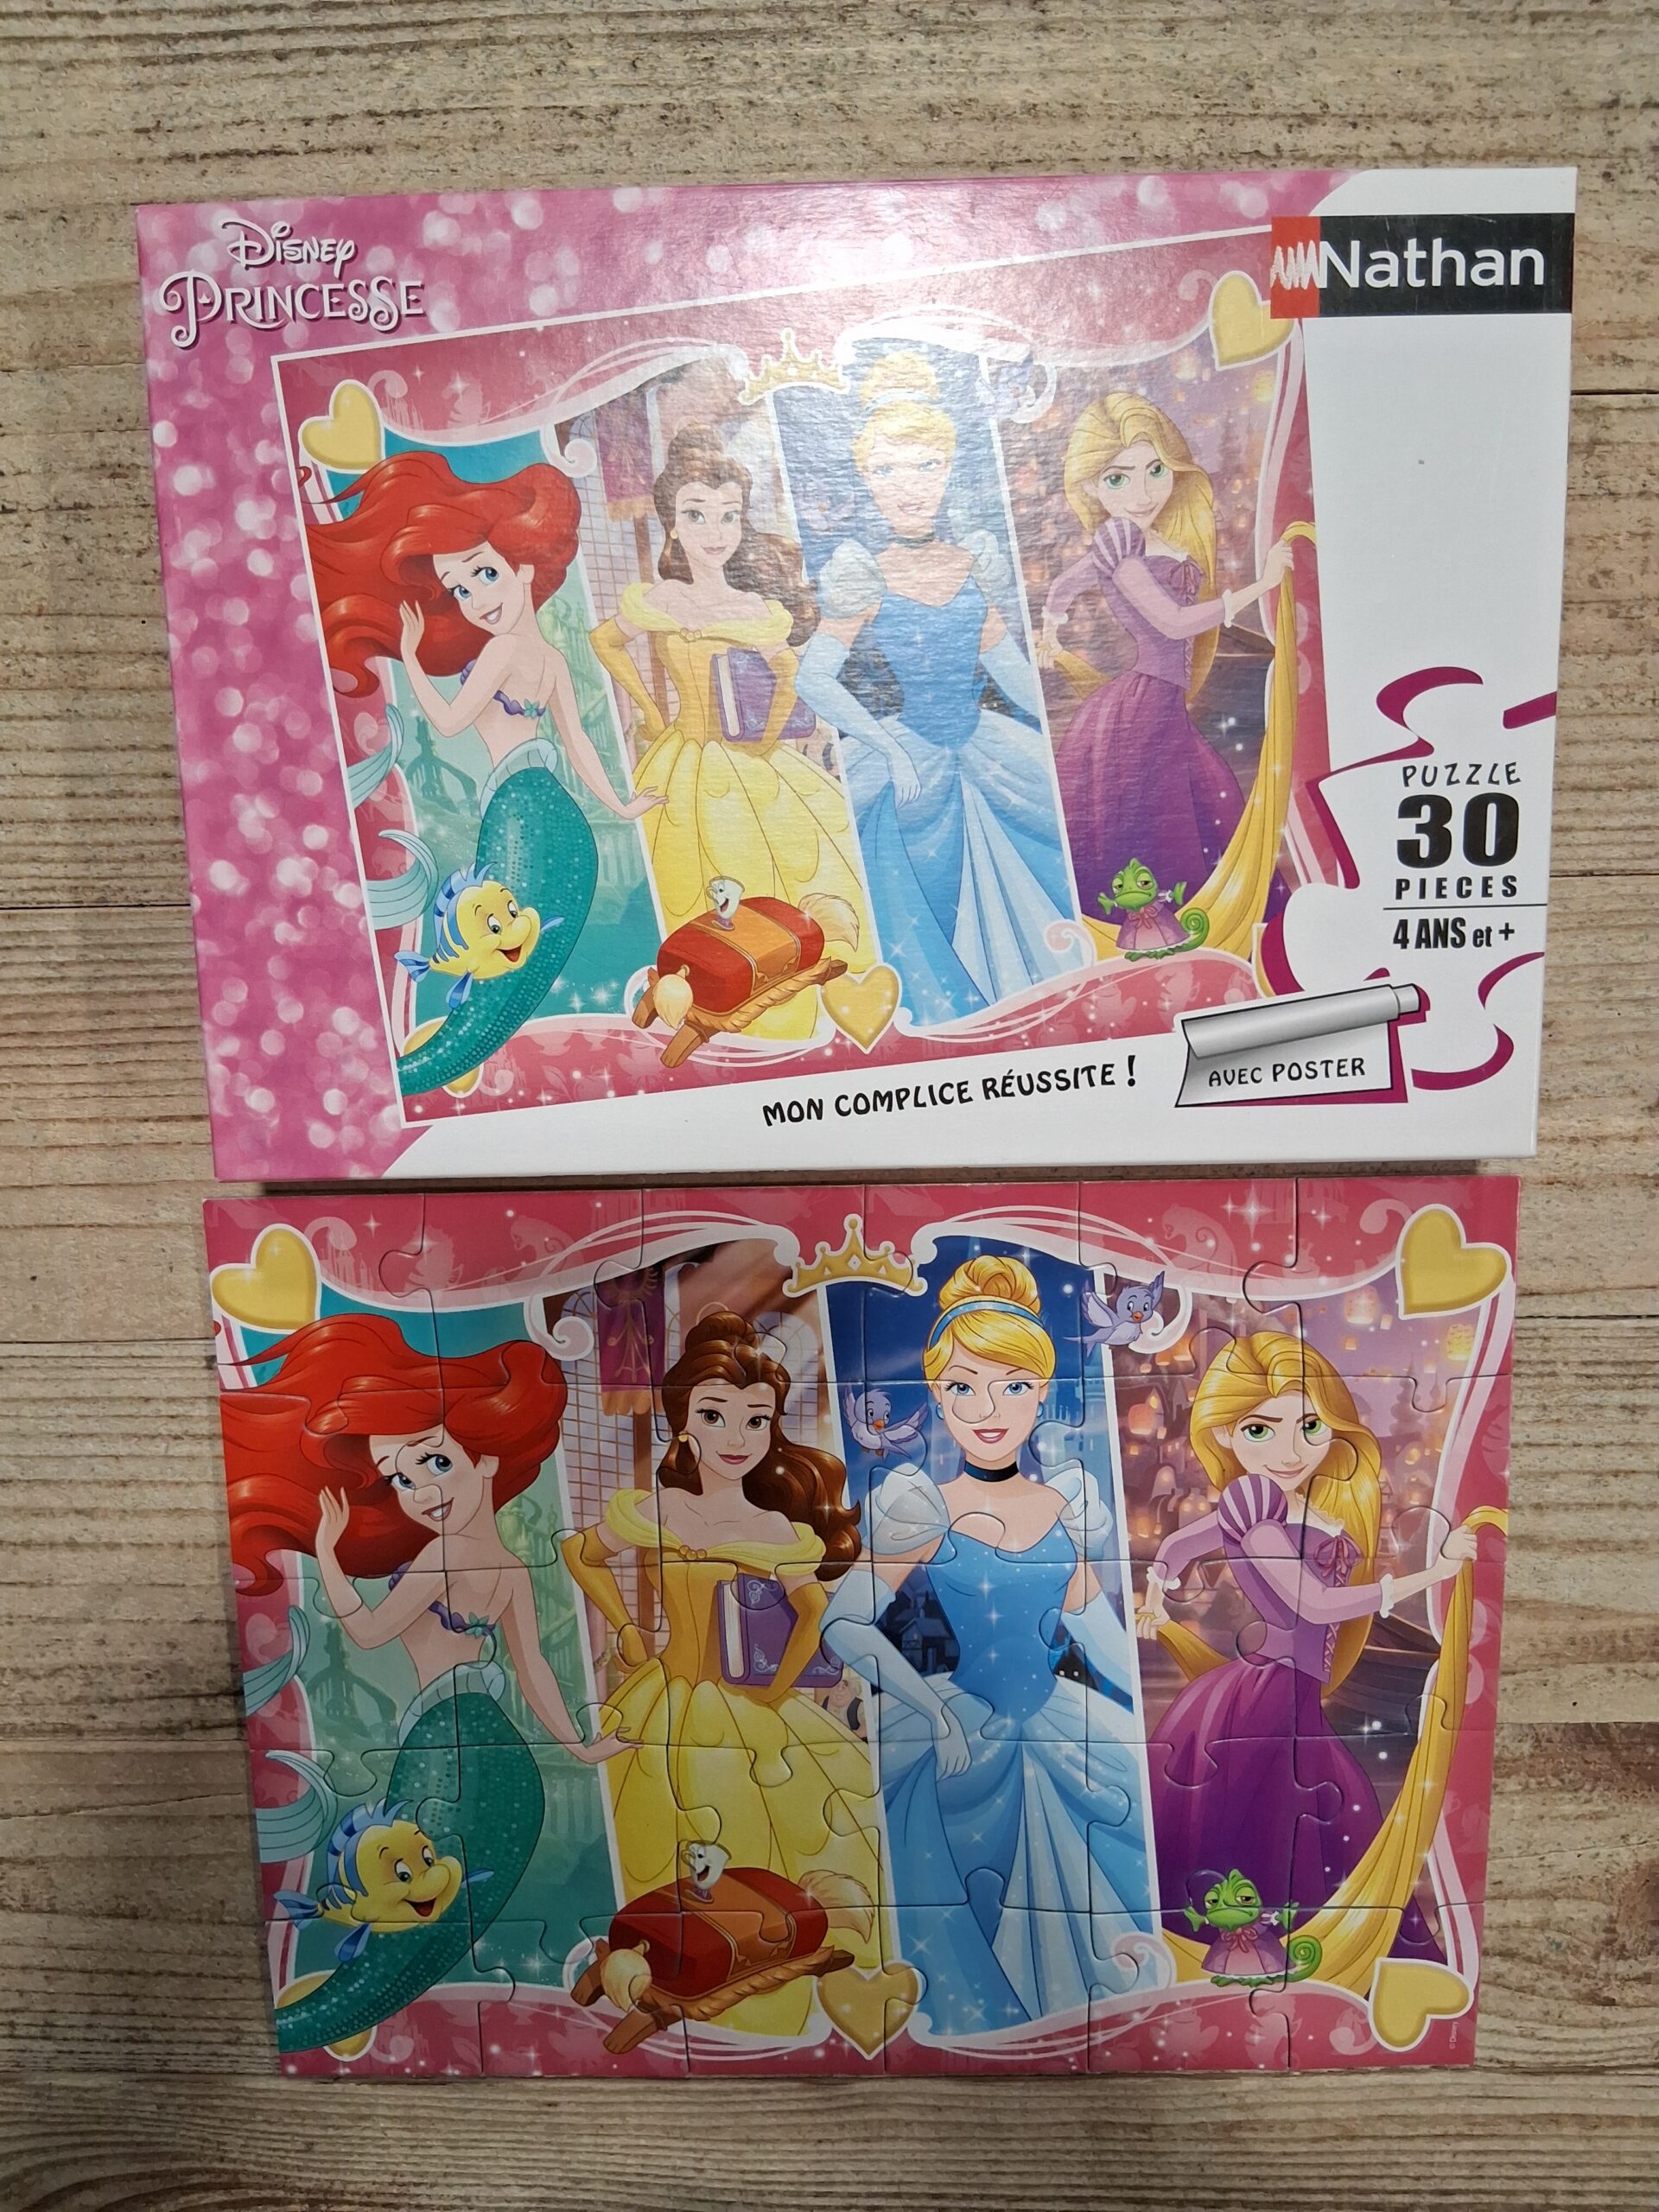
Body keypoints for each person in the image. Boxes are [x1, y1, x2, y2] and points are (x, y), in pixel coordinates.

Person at [822, 1256, 1153, 2031]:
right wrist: (932, 1709)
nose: (988, 1409)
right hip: (962, 1735)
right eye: (963, 1387)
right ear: (936, 1396)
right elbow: (845, 1621)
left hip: (1062, 1731)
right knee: (960, 1916)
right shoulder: (923, 1507)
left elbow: (1095, 1629)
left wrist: (1148, 1706)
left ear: (1042, 1393)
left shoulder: (1067, 1504)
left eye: (1013, 1386)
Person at [561, 1311, 886, 2034]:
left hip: (756, 1716)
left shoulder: (776, 1529)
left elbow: (813, 1614)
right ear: (684, 1424)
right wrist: (626, 1626)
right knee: (652, 1842)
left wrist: (776, 1691)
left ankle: (748, 1981)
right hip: (663, 1702)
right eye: (715, 1415)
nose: (736, 1437)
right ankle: (663, 1967)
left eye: (756, 1421)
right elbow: (580, 1552)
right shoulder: (659, 1509)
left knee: (769, 1852)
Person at [794, 353, 1077, 1024]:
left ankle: (1040, 1007)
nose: (909, 486)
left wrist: (1061, 720)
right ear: (866, 478)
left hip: (988, 748)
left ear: (949, 469)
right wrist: (886, 749)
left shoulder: (973, 561)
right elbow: (812, 676)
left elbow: (1009, 669)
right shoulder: (864, 572)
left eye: (926, 465)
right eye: (887, 469)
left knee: (1047, 861)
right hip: (911, 755)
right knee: (920, 895)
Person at [589, 427, 873, 1036]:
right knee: (689, 882)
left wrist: (769, 737)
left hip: (755, 764)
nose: (714, 531)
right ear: (672, 524)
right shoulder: (663, 597)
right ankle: (705, 992)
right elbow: (604, 642)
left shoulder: (753, 608)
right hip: (682, 762)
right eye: (697, 514)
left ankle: (776, 987)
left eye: (728, 516)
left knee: (784, 876)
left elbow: (789, 673)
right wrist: (649, 710)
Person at [1036, 393, 1292, 923]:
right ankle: (1162, 929)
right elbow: (1173, 623)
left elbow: (1064, 586)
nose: (1143, 492)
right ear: (1091, 487)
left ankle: (1200, 923)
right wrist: (1262, 585)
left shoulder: (1144, 538)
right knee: (1167, 815)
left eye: (1155, 470)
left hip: (1158, 701)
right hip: (1145, 704)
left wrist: (1051, 631)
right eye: (1118, 478)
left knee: (1199, 801)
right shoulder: (1122, 549)